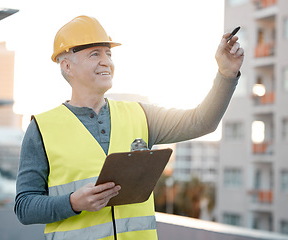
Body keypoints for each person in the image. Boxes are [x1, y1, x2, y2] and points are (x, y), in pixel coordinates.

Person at [14, 15, 244, 240]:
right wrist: (73, 202)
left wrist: (226, 73)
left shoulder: (141, 115)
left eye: (109, 54)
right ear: (67, 66)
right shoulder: (42, 129)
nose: (106, 61)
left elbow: (202, 122)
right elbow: (24, 206)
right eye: (95, 54)